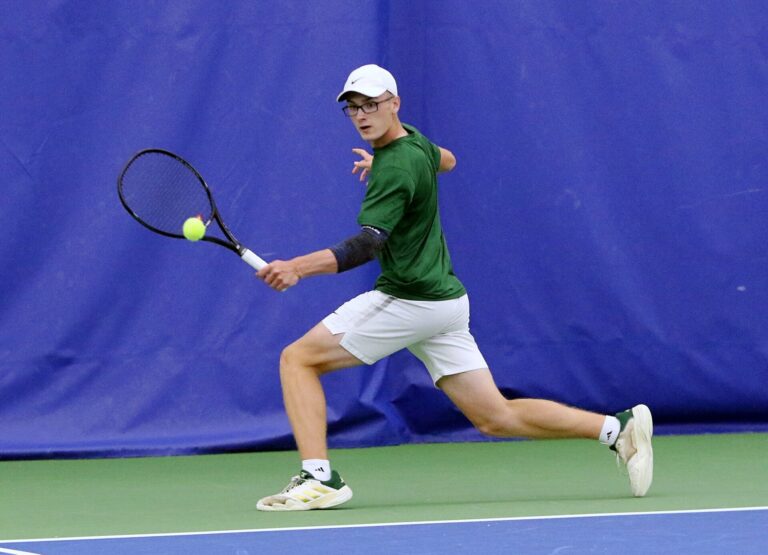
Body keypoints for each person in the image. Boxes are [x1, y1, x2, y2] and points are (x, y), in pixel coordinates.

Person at [254, 64, 653, 511]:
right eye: (354, 109)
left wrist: (297, 269)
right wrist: (386, 163)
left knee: (298, 359)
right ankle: (616, 429)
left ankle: (318, 478)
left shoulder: (396, 167)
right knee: (495, 417)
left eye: (372, 105)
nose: (362, 116)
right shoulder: (414, 144)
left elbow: (367, 244)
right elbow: (447, 160)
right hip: (446, 304)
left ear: (394, 103)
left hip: (410, 300)